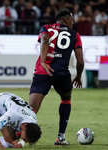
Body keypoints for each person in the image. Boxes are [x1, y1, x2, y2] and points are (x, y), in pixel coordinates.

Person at [29, 9, 84, 145]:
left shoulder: (45, 28)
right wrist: (78, 76)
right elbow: (80, 61)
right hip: (61, 73)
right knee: (66, 98)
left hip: (43, 72)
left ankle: (18, 136)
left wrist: (43, 61)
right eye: (71, 19)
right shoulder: (75, 34)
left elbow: (45, 39)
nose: (73, 22)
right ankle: (60, 137)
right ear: (65, 20)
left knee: (31, 109)